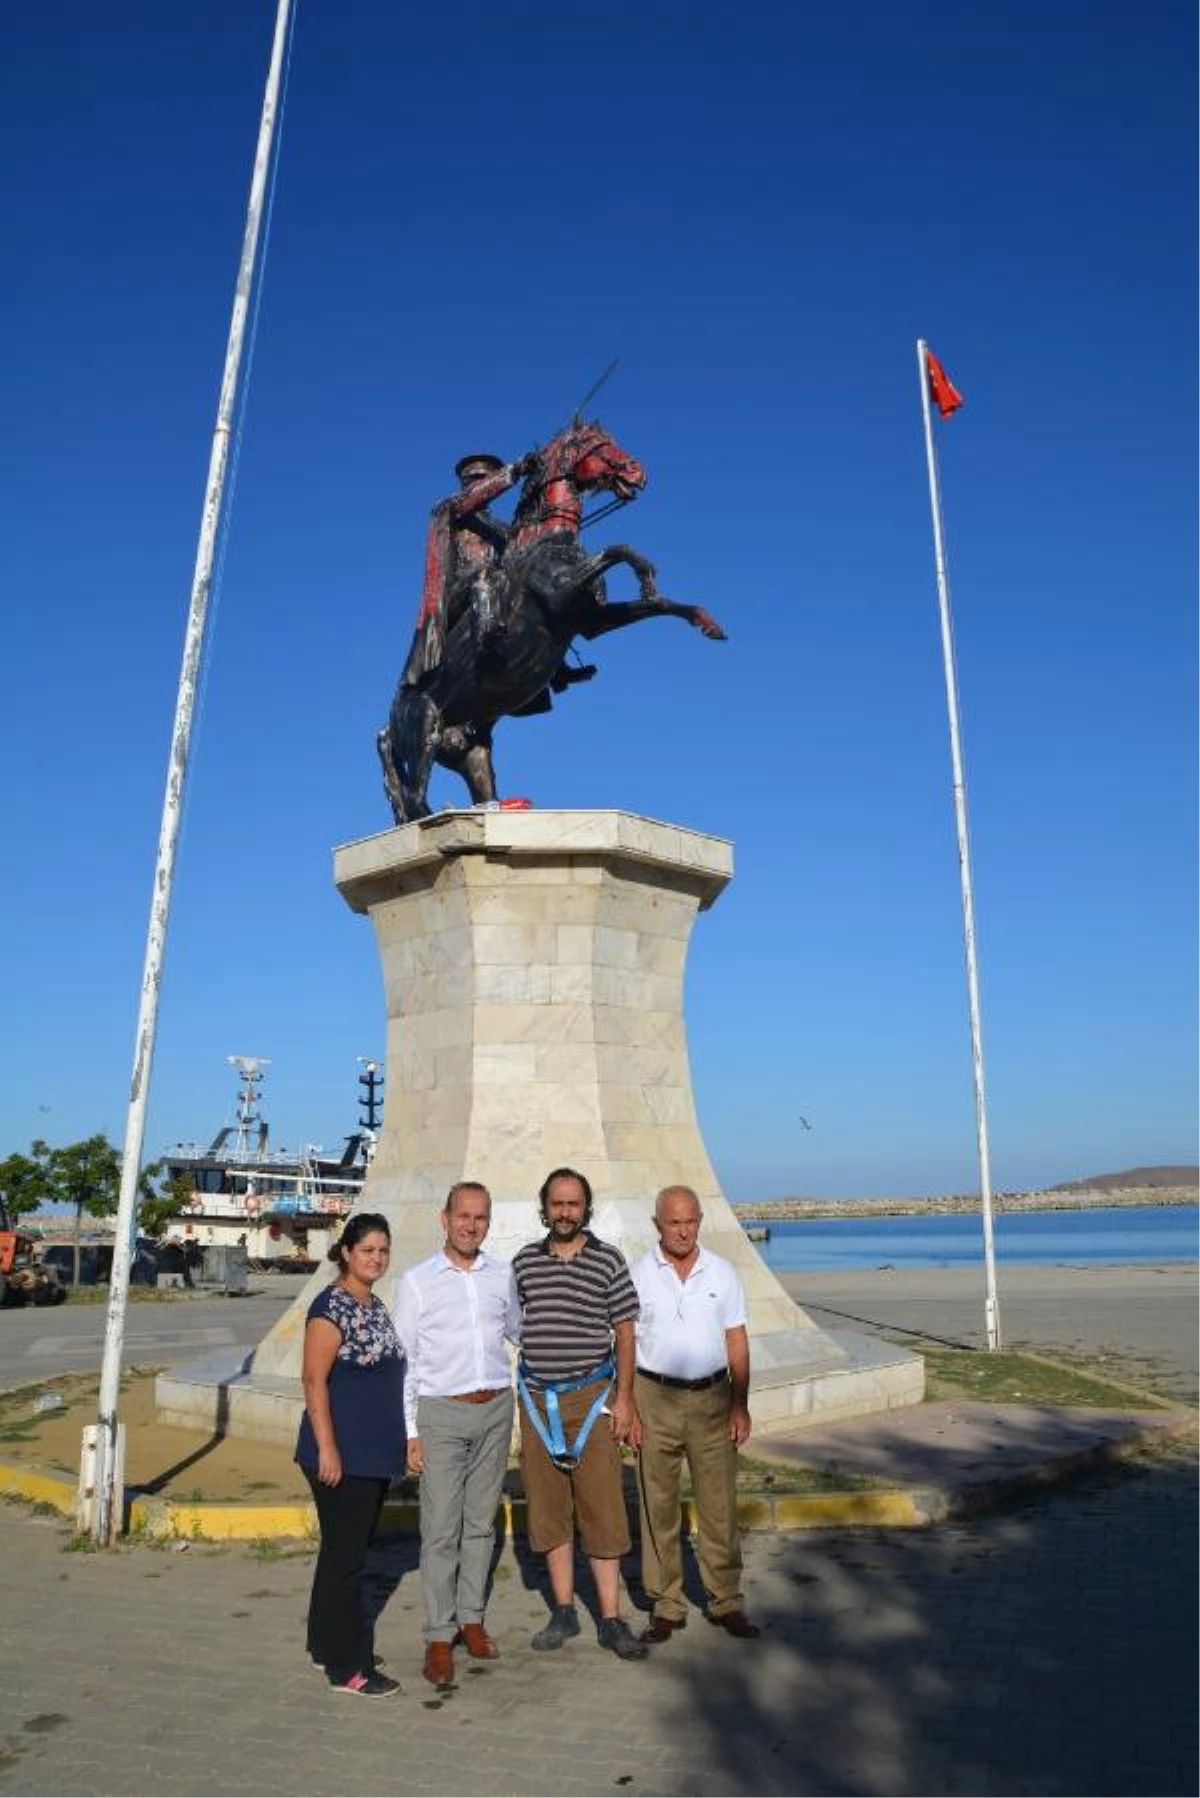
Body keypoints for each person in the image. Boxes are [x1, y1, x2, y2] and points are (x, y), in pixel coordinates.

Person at [512, 1167, 647, 1661]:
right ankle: (564, 1610)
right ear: (544, 1207)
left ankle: (610, 1618)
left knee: (602, 1508)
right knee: (549, 1511)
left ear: (585, 1208)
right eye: (556, 1203)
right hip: (537, 1401)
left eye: (573, 1204)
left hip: (592, 1399)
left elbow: (626, 1332)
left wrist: (625, 1399)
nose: (564, 1212)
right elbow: (513, 1322)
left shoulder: (608, 1260)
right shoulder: (524, 1262)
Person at [392, 1181, 521, 1690]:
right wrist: (409, 1432)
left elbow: (518, 1331)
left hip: (494, 1406)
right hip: (441, 1414)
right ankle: (438, 1635)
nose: (471, 1225)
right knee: (442, 1528)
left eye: (481, 1217)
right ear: (443, 1219)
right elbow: (405, 1361)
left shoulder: (502, 1274)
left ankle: (471, 1618)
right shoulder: (418, 1281)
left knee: (480, 1524)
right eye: (463, 1216)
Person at [630, 1184, 760, 1642]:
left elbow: (737, 1341)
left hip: (713, 1400)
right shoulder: (638, 1273)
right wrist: (626, 1404)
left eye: (690, 1221)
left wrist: (740, 1403)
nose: (683, 1231)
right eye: (673, 1222)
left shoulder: (722, 1273)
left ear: (699, 1222)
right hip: (655, 1398)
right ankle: (666, 1605)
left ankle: (725, 1600)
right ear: (657, 1225)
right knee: (657, 1507)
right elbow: (624, 1343)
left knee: (719, 1506)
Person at [295, 1212, 407, 1697]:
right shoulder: (330, 1308)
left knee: (340, 1554)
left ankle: (326, 1645)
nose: (376, 1258)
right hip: (342, 1456)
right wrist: (328, 1448)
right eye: (367, 1250)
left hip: (373, 1453)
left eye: (383, 1251)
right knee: (349, 1561)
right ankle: (349, 1667)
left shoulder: (374, 1304)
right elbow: (313, 1380)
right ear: (346, 1252)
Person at [405, 452, 530, 685]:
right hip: (456, 593)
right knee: (486, 575)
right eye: (477, 479)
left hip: (493, 588)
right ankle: (488, 645)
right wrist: (516, 470)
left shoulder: (502, 528)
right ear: (465, 482)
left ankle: (556, 669)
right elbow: (471, 499)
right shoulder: (450, 508)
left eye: (485, 478)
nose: (481, 483)